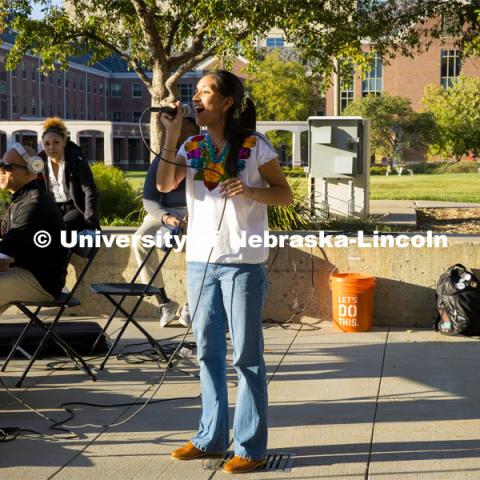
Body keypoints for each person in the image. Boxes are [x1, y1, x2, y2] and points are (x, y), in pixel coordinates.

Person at [157, 70, 292, 474]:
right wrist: (171, 132)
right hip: (200, 262)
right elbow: (165, 184)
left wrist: (250, 191)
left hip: (243, 264)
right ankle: (210, 438)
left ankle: (250, 447)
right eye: (194, 91)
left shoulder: (255, 146)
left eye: (205, 91)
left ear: (227, 102)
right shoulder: (192, 144)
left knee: (247, 357)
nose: (196, 96)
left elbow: (284, 194)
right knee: (207, 353)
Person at [132, 117, 199, 327]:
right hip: (164, 211)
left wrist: (194, 214)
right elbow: (149, 198)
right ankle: (164, 303)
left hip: (195, 212)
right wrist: (165, 217)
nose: (182, 138)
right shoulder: (162, 159)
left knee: (200, 247)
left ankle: (191, 305)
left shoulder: (202, 157)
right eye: (178, 132)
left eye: (188, 134)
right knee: (139, 239)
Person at [0, 144, 69, 314]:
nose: (1, 170)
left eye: (7, 167)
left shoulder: (33, 205)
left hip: (40, 282)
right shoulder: (20, 198)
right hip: (25, 271)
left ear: (30, 170)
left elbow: (7, 249)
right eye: (0, 164)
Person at [38, 117, 100, 232]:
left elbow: (90, 191)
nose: (51, 147)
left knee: (63, 228)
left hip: (75, 207)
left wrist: (90, 222)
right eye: (47, 144)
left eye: (56, 142)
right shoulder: (39, 162)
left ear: (64, 142)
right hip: (52, 208)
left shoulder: (76, 159)